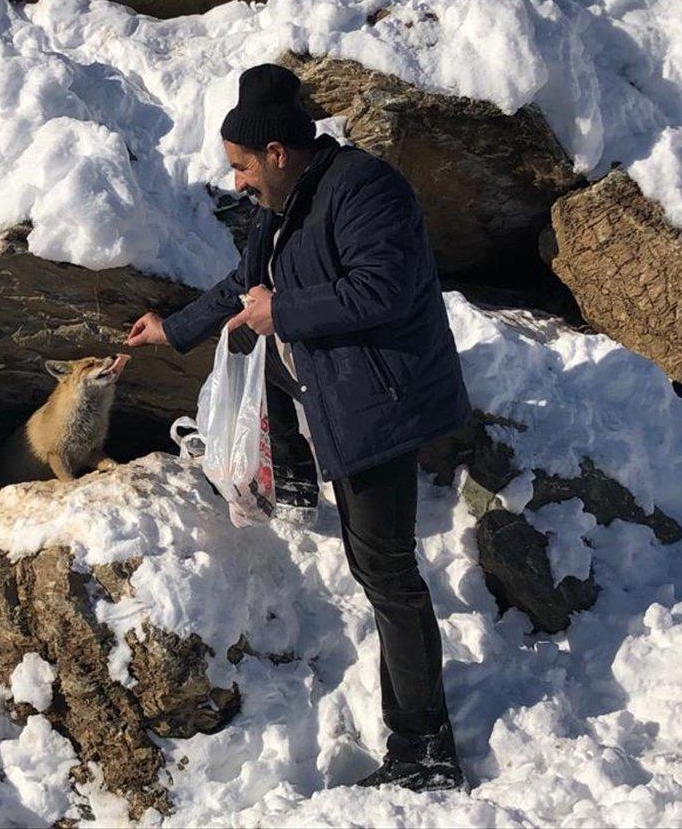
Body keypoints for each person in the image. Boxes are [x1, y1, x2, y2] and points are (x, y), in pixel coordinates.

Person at [126, 63, 471, 792]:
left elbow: (383, 288)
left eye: (242, 166)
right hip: (327, 374)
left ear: (278, 152)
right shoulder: (282, 205)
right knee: (253, 366)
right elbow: (240, 285)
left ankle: (426, 748)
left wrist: (281, 312)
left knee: (386, 572)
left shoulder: (366, 190)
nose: (237, 181)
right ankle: (290, 486)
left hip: (379, 398)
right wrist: (174, 328)